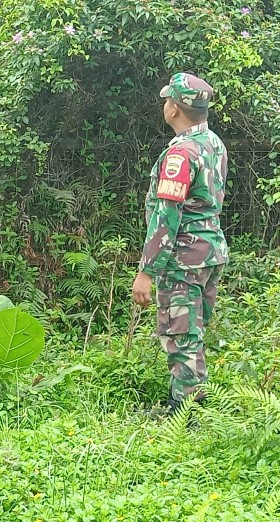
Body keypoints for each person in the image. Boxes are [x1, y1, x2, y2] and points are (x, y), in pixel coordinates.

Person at [132, 72, 228, 416]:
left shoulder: (180, 155)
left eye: (167, 100)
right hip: (211, 251)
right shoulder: (213, 143)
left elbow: (166, 217)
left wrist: (146, 271)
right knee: (193, 331)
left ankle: (185, 413)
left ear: (174, 108)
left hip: (184, 258)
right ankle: (194, 400)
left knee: (181, 335)